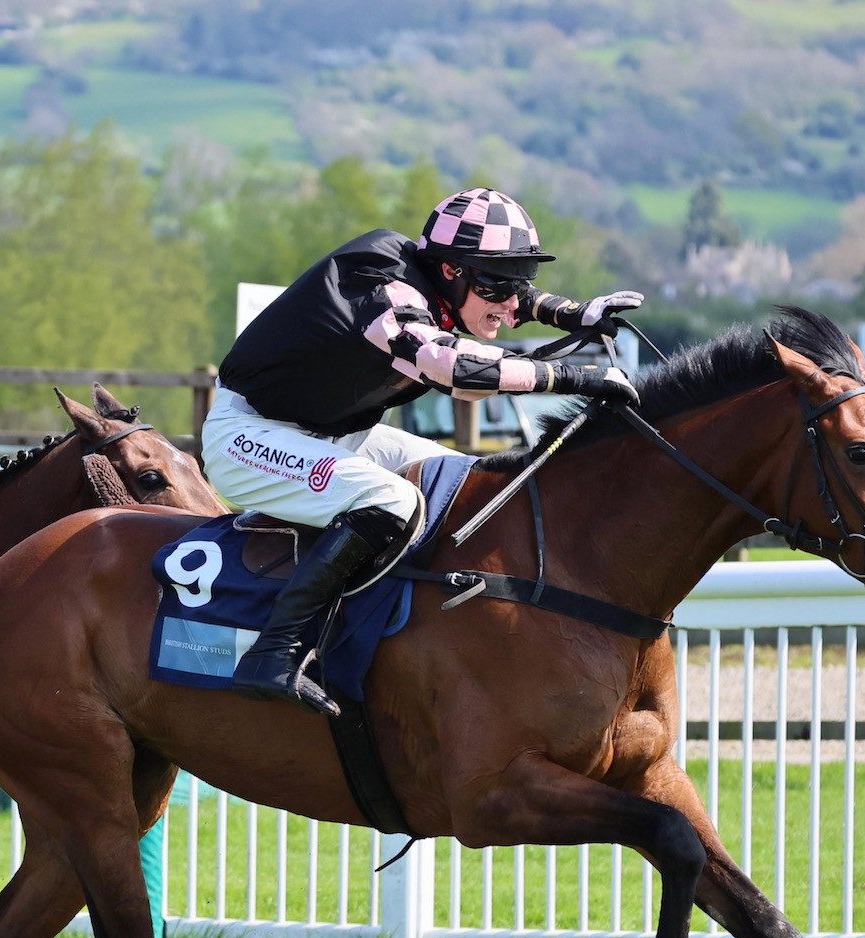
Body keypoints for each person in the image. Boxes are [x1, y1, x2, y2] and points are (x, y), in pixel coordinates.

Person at [204, 186, 644, 716]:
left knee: (462, 480)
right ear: (453, 271)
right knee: (393, 502)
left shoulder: (446, 279)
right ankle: (274, 652)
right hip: (247, 435)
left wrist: (574, 314)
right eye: (499, 283)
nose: (511, 302)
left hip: (335, 434)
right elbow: (451, 367)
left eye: (518, 283)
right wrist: (577, 377)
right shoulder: (380, 280)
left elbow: (508, 297)